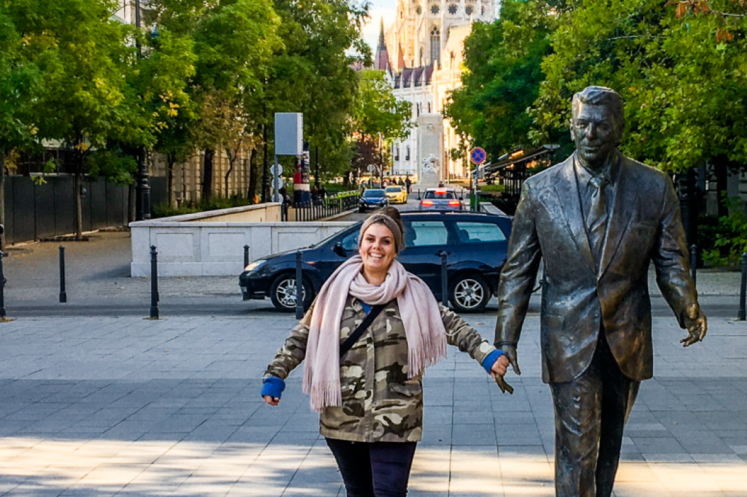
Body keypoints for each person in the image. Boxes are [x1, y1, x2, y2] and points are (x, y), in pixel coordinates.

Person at [495, 86, 708, 497]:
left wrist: (688, 307)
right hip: (567, 336)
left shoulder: (653, 187)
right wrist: (506, 338)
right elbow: (518, 270)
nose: (590, 134)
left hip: (627, 335)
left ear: (618, 129)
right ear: (571, 128)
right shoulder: (540, 190)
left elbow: (670, 260)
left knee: (608, 445)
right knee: (578, 447)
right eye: (582, 124)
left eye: (601, 125)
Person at [262, 206, 510, 497]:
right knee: (359, 492)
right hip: (343, 414)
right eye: (370, 239)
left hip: (398, 415)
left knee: (389, 493)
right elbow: (302, 338)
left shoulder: (414, 292)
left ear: (395, 249)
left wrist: (488, 355)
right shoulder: (333, 293)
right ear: (360, 244)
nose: (376, 247)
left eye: (385, 241)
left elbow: (453, 327)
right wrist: (275, 375)